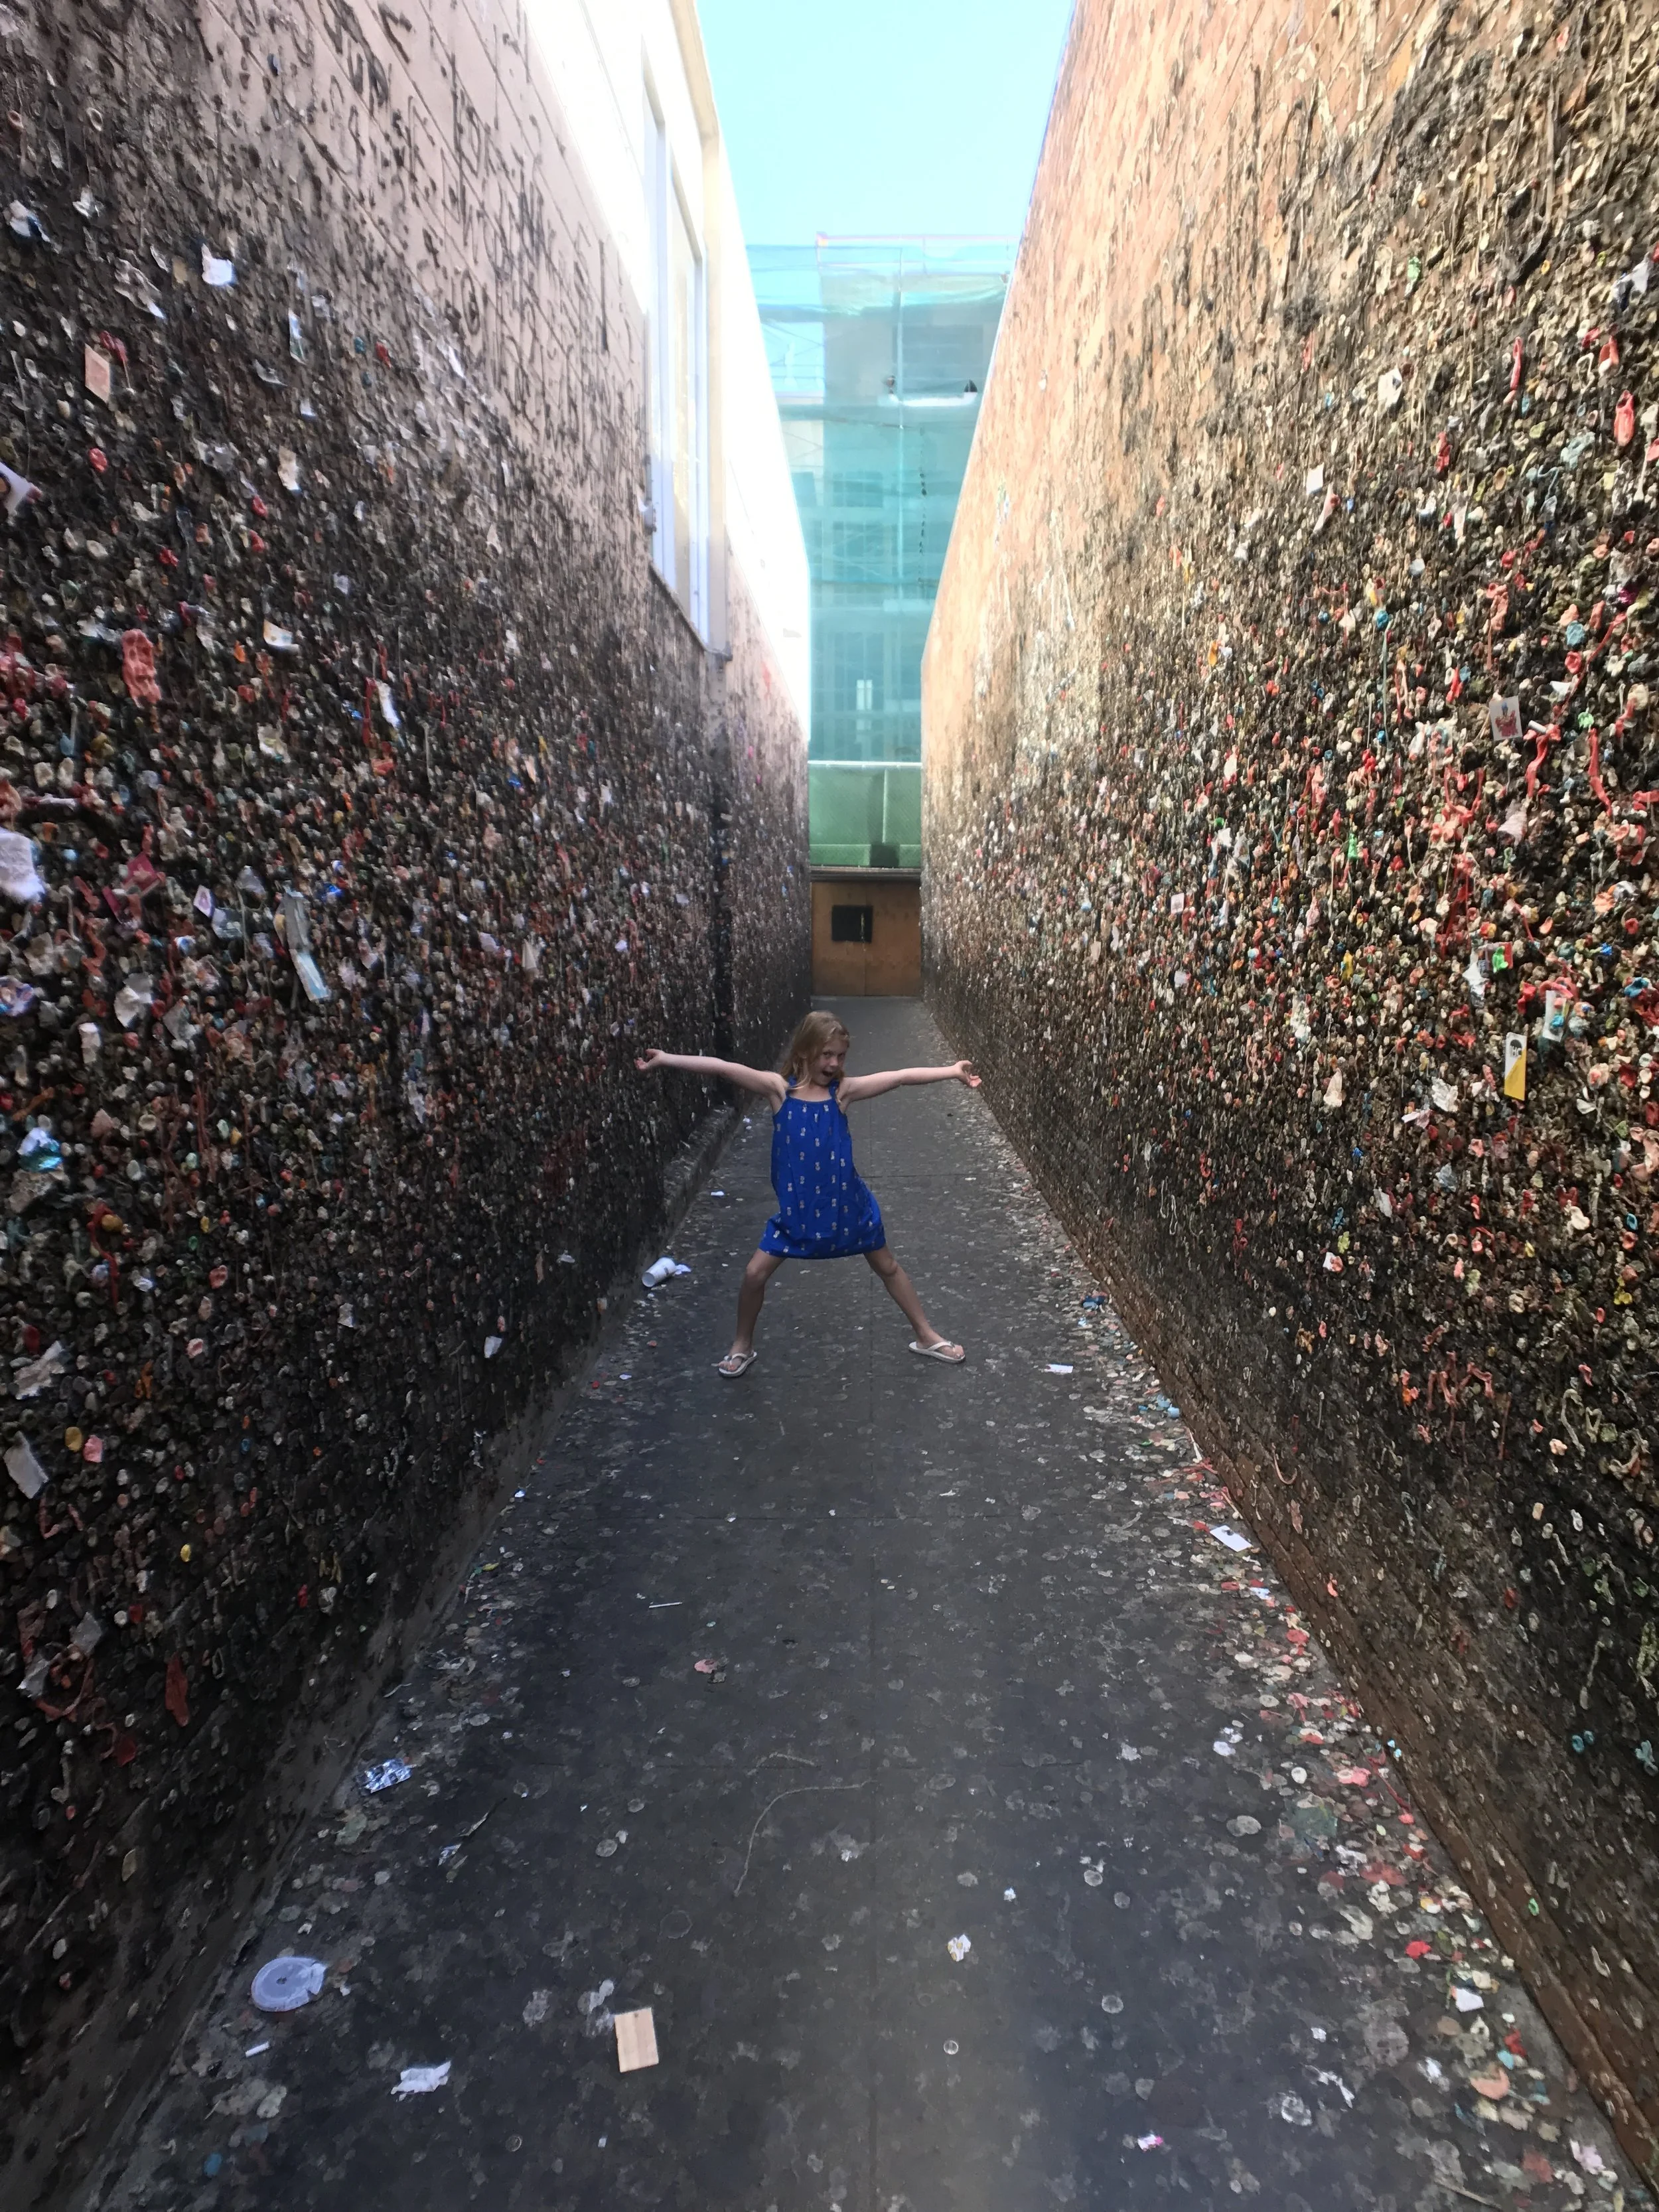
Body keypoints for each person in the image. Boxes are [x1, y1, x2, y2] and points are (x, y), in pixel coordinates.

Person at [635, 1010, 979, 1376]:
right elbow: (722, 1066)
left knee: (888, 1267)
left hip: (849, 1208)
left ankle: (926, 1335)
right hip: (798, 1214)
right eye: (826, 1054)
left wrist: (951, 1071)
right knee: (754, 1275)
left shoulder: (842, 1093)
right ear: (805, 1051)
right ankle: (742, 1345)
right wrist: (667, 1060)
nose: (834, 1063)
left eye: (841, 1055)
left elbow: (898, 1077)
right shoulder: (778, 1091)